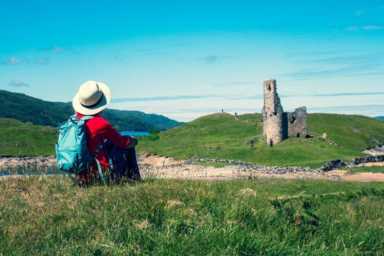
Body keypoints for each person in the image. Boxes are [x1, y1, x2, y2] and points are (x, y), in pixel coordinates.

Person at [72, 80, 141, 185]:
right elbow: (123, 142)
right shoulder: (100, 123)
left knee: (110, 143)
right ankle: (135, 179)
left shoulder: (73, 120)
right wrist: (133, 140)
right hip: (100, 175)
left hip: (81, 173)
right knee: (129, 145)